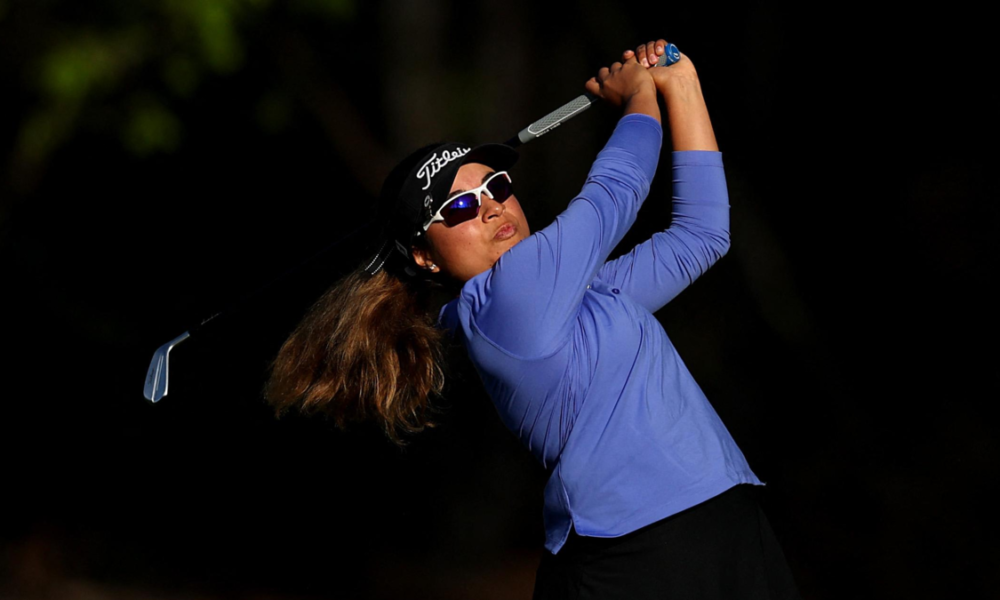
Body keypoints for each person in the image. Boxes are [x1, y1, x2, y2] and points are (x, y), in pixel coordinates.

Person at [264, 38, 801, 599]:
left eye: (496, 186)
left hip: (722, 518)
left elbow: (701, 236)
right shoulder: (503, 302)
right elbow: (616, 191)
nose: (493, 205)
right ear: (425, 257)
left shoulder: (583, 295)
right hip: (635, 554)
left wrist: (681, 85)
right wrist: (639, 93)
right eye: (460, 207)